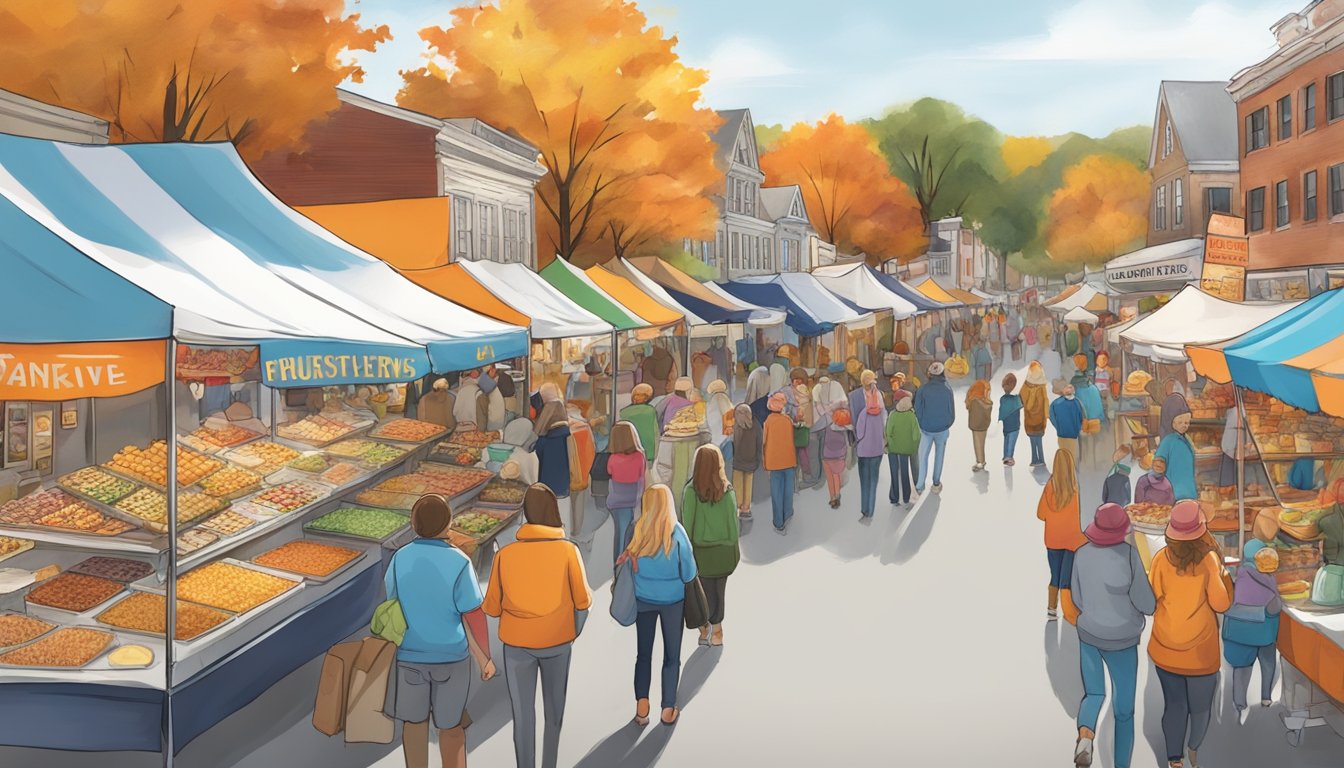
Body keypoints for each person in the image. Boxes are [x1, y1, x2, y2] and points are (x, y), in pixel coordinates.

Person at [484, 485, 592, 768]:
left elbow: (492, 608)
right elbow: (583, 601)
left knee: (523, 716)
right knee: (554, 713)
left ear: (526, 515)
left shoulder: (505, 556)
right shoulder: (569, 551)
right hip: (558, 642)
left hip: (517, 645)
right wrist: (571, 631)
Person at [385, 494, 495, 768]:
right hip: (451, 657)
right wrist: (485, 657)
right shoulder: (459, 561)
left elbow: (391, 601)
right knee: (451, 727)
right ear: (447, 524)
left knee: (413, 725)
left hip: (409, 655)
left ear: (414, 524)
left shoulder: (400, 558)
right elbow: (473, 614)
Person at [1069, 503, 1155, 768]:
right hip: (1123, 640)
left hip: (1089, 633)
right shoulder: (1130, 556)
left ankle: (1085, 736)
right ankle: (1121, 765)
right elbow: (1147, 604)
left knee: (1094, 694)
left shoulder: (1081, 554)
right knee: (1124, 710)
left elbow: (1077, 597)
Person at [1148, 500, 1232, 768]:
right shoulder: (1209, 560)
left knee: (1174, 706)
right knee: (1200, 709)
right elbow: (1221, 604)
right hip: (1200, 653)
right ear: (1201, 530)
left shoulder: (1160, 559)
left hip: (1165, 647)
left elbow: (1152, 599)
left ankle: (1175, 760)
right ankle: (1194, 749)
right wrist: (1225, 575)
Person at [621, 484, 697, 727]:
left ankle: (642, 707)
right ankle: (667, 708)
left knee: (643, 654)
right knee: (671, 656)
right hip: (673, 602)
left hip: (643, 600)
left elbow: (626, 568)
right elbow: (689, 573)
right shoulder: (677, 534)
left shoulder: (635, 531)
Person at [681, 445, 741, 647]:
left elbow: (687, 524)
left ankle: (704, 627)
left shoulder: (690, 491)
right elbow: (733, 527)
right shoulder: (727, 490)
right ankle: (718, 631)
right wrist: (732, 546)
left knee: (702, 592)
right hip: (724, 551)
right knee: (719, 590)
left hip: (701, 552)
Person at [1223, 541, 1282, 725]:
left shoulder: (1239, 575)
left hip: (1241, 631)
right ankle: (1265, 697)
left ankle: (1239, 702)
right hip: (1264, 631)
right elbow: (1274, 608)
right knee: (1268, 663)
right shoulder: (1269, 578)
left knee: (1242, 667)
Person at [1038, 448, 1085, 620]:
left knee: (1055, 575)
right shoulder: (1077, 489)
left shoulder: (1050, 488)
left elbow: (1040, 514)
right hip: (1074, 540)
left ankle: (1051, 609)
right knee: (1068, 577)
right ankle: (1069, 612)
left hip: (1053, 540)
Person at [605, 422, 646, 564]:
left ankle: (618, 569)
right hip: (634, 501)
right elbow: (642, 475)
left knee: (620, 536)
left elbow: (610, 472)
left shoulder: (612, 459)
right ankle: (628, 568)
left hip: (616, 503)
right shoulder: (640, 457)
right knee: (632, 537)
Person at [913, 362, 955, 495]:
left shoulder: (923, 389)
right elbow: (951, 412)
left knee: (923, 456)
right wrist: (947, 424)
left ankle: (920, 486)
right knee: (939, 456)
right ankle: (936, 483)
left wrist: (922, 423)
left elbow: (917, 410)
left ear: (929, 374)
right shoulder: (948, 389)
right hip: (942, 429)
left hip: (926, 429)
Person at [853, 370, 888, 520]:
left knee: (864, 481)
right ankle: (870, 510)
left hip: (863, 451)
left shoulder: (862, 413)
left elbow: (859, 433)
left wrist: (859, 441)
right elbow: (885, 423)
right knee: (874, 479)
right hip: (877, 448)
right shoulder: (881, 411)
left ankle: (864, 510)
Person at [762, 392, 797, 532]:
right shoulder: (787, 420)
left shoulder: (768, 421)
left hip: (774, 461)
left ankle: (778, 522)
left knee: (776, 492)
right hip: (789, 460)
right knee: (788, 490)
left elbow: (764, 442)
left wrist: (764, 460)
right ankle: (788, 514)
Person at [1154, 393, 1197, 502]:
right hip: (1173, 491)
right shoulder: (1168, 441)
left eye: (1187, 422)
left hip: (1188, 490)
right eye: (1180, 422)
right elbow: (1158, 463)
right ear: (1171, 422)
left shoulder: (1186, 439)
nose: (1184, 425)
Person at [533, 383, 572, 501]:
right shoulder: (566, 434)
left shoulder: (546, 439)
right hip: (564, 488)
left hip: (547, 489)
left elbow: (537, 448)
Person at [884, 391, 919, 508]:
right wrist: (913, 447)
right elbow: (916, 435)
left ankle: (894, 498)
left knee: (894, 472)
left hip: (893, 449)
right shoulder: (911, 416)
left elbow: (888, 432)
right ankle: (906, 497)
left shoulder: (892, 415)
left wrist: (891, 445)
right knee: (904, 472)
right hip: (905, 449)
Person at [729, 403, 761, 519]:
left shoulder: (736, 427)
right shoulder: (756, 425)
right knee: (748, 484)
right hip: (751, 460)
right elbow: (759, 442)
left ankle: (737, 506)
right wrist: (758, 458)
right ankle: (746, 508)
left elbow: (733, 444)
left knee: (737, 483)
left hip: (738, 460)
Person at [823, 401, 853, 508]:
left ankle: (832, 497)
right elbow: (846, 444)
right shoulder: (844, 430)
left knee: (829, 478)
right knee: (836, 476)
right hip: (839, 457)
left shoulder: (828, 428)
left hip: (827, 456)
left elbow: (825, 441)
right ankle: (837, 494)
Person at [619, 384, 659, 468]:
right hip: (648, 451)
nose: (638, 397)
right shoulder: (651, 411)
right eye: (637, 395)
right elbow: (656, 433)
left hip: (629, 450)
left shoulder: (624, 412)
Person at [1022, 362, 1049, 467]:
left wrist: (1046, 414)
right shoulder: (1028, 387)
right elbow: (1027, 405)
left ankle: (1038, 459)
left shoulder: (1040, 386)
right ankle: (1036, 459)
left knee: (1036, 440)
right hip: (1032, 420)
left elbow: (1045, 400)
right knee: (1036, 440)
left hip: (1038, 420)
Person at [1049, 383, 1084, 463]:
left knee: (1064, 456)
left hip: (1062, 434)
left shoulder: (1056, 403)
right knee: (1072, 457)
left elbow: (1052, 417)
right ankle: (1071, 473)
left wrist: (1058, 427)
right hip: (1073, 435)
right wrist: (1077, 428)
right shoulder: (1076, 403)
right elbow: (1080, 417)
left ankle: (1065, 472)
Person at [965, 379, 993, 472]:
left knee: (977, 443)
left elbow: (971, 412)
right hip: (984, 425)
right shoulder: (987, 402)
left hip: (976, 426)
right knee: (982, 443)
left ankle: (980, 462)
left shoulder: (974, 401)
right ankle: (982, 460)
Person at [999, 373, 1022, 467]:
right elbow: (1021, 405)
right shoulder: (1016, 399)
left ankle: (1005, 456)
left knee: (1006, 440)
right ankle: (1009, 457)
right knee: (1011, 442)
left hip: (1006, 425)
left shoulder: (1002, 399)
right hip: (1015, 425)